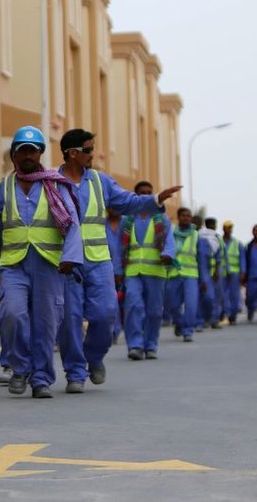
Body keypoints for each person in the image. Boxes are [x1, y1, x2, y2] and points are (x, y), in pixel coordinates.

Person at [56, 129, 178, 389]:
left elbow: (128, 202)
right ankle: (75, 373)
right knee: (70, 319)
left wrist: (155, 199)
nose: (93, 154)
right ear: (72, 153)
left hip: (99, 261)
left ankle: (94, 357)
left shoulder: (101, 182)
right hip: (65, 262)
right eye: (88, 150)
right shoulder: (52, 183)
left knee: (106, 314)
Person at [0, 126, 82, 398]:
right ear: (14, 155)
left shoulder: (55, 185)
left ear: (40, 153)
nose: (28, 155)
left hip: (49, 264)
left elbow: (72, 224)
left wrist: (70, 258)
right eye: (22, 150)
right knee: (12, 315)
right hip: (13, 265)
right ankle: (20, 368)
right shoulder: (3, 188)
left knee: (46, 323)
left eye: (32, 150)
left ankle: (41, 378)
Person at [121, 181, 175, 360]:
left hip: (156, 270)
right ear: (136, 197)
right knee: (133, 306)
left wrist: (168, 253)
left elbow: (170, 241)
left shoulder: (161, 219)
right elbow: (118, 245)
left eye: (149, 193)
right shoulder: (127, 219)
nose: (146, 196)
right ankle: (135, 345)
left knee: (154, 311)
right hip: (133, 271)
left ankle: (151, 344)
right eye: (141, 193)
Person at [165, 208, 211, 342]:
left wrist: (203, 280)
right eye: (183, 215)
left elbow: (202, 260)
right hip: (173, 274)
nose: (186, 218)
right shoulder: (171, 234)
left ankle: (188, 330)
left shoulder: (197, 237)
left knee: (191, 305)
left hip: (191, 275)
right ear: (178, 217)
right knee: (172, 305)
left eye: (188, 216)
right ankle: (179, 323)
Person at [106, 207, 126, 345]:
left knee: (131, 302)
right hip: (106, 269)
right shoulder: (101, 224)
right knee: (112, 301)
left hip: (129, 267)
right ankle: (114, 330)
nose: (114, 208)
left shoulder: (128, 223)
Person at [222, 221, 245, 323]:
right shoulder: (219, 242)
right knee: (222, 293)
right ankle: (223, 312)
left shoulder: (237, 243)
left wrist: (243, 272)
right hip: (222, 272)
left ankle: (233, 315)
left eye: (230, 228)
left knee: (234, 294)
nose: (229, 230)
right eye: (227, 228)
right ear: (223, 229)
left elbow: (242, 259)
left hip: (235, 272)